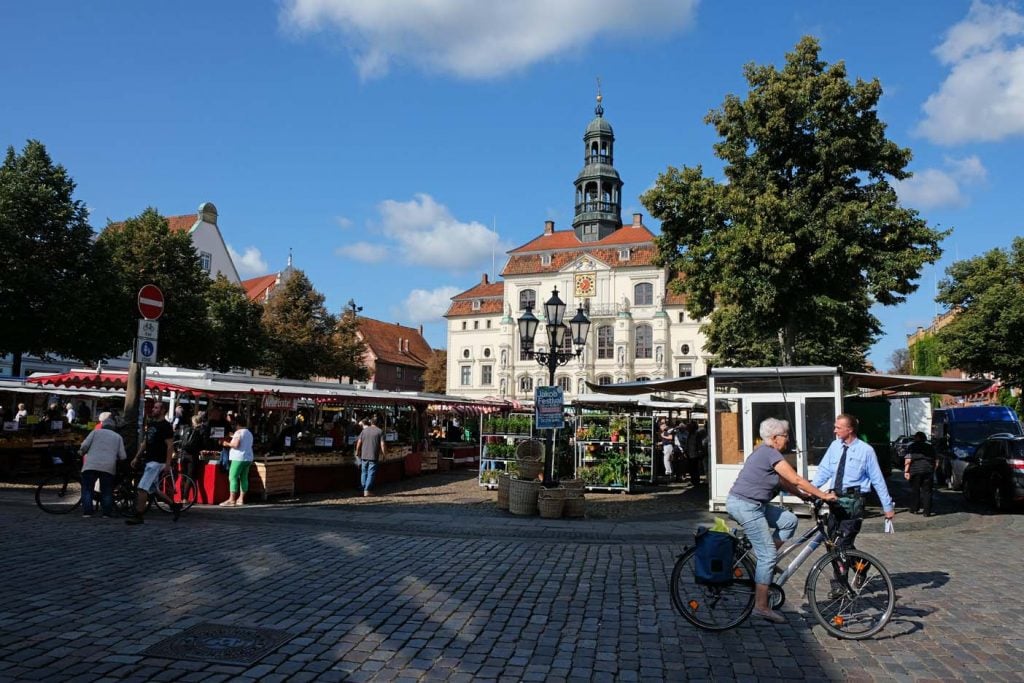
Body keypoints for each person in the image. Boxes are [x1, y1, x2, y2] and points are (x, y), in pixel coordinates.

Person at [727, 417, 836, 624]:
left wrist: (804, 496)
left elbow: (784, 482)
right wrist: (822, 495)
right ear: (775, 438)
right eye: (786, 436)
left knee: (788, 520)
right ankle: (761, 606)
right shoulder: (769, 453)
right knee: (767, 554)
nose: (787, 440)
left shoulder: (766, 452)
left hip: (754, 504)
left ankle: (764, 562)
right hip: (745, 505)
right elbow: (795, 479)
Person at [812, 413, 895, 551]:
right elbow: (824, 471)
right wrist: (811, 491)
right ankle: (849, 570)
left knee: (843, 544)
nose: (834, 431)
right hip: (835, 500)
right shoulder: (834, 446)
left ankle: (860, 567)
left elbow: (877, 479)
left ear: (849, 429)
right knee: (831, 543)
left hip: (853, 503)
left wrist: (887, 507)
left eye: (838, 428)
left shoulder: (866, 451)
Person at [126, 402, 181, 525]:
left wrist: (167, 463)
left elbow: (170, 445)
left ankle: (138, 515)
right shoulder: (151, 424)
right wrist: (137, 457)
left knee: (142, 488)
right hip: (149, 459)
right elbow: (146, 442)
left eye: (156, 408)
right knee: (153, 489)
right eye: (154, 407)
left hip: (157, 461)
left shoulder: (166, 426)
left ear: (163, 411)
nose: (153, 409)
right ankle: (174, 506)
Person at [78, 412, 127, 517]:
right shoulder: (118, 437)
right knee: (107, 490)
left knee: (87, 489)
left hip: (91, 464)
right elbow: (123, 456)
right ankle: (106, 513)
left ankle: (88, 512)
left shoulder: (95, 433)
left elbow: (84, 445)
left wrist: (81, 452)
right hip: (108, 467)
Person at [220, 414, 254, 506]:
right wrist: (233, 436)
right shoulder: (248, 432)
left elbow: (235, 445)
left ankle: (231, 499)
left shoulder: (238, 432)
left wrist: (226, 443)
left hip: (238, 458)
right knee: (244, 478)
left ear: (237, 424)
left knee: (233, 477)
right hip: (248, 458)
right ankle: (241, 499)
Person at [904, 431, 937, 516]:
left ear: (916, 438)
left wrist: (906, 471)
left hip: (915, 470)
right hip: (928, 470)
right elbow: (936, 460)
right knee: (927, 491)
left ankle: (914, 508)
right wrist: (933, 469)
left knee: (915, 490)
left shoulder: (911, 446)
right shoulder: (930, 447)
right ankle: (927, 511)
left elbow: (908, 460)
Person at [355, 416, 385, 497]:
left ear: (371, 422)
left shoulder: (364, 431)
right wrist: (384, 454)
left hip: (364, 455)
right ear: (378, 423)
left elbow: (359, 442)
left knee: (363, 472)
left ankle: (363, 488)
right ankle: (367, 490)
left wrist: (357, 451)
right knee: (371, 473)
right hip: (373, 455)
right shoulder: (380, 431)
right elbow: (382, 444)